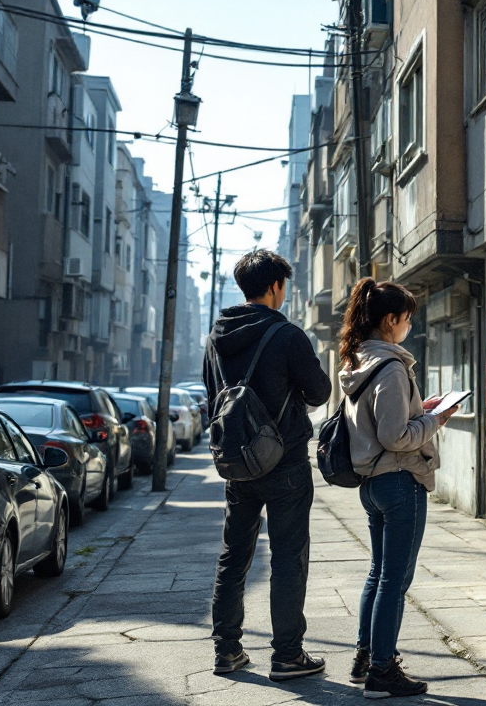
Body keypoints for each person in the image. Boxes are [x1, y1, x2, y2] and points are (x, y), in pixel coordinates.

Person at [205, 250, 333, 680]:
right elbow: (318, 393)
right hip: (285, 463)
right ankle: (287, 655)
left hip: (237, 463)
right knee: (288, 557)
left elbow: (213, 398)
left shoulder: (217, 336)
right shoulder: (287, 334)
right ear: (276, 285)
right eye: (285, 286)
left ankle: (227, 651)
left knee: (233, 555)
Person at [337, 279, 458, 698]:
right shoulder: (389, 367)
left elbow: (382, 424)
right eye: (406, 319)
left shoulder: (359, 362)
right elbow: (395, 436)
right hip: (400, 481)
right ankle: (382, 672)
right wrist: (435, 421)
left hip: (372, 483)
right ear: (390, 320)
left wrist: (418, 410)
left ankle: (365, 658)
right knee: (394, 580)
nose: (409, 326)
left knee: (378, 574)